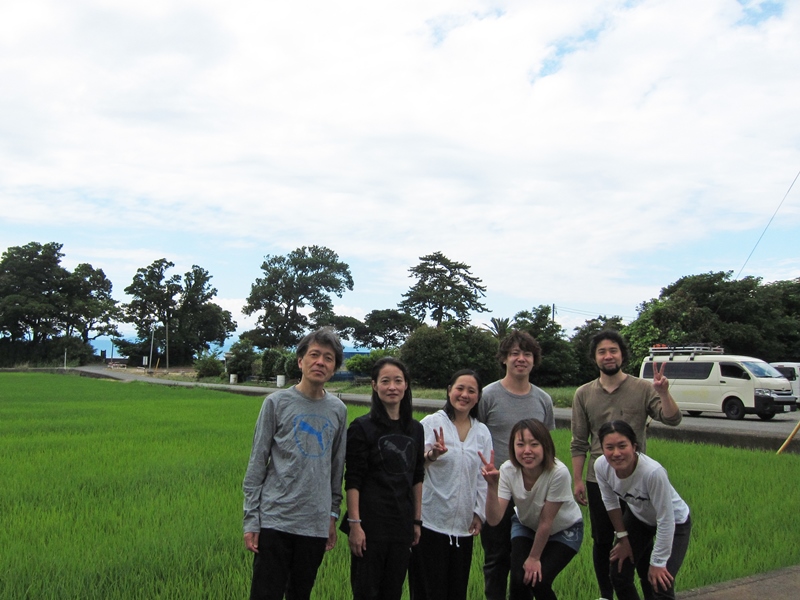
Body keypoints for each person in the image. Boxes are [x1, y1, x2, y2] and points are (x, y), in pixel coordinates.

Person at [570, 330, 681, 600]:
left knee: (638, 541)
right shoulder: (584, 393)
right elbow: (578, 442)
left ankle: (649, 590)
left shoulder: (643, 388)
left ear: (622, 354)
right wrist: (577, 480)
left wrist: (664, 393)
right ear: (594, 357)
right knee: (603, 541)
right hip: (600, 479)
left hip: (635, 480)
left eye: (613, 350)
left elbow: (672, 419)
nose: (608, 356)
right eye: (602, 351)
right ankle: (607, 594)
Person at [242, 328, 348, 600]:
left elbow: (337, 469)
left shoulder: (338, 410)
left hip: (314, 523)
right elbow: (256, 464)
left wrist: (332, 516)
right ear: (300, 361)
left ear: (334, 367)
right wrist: (251, 520)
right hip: (275, 519)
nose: (320, 362)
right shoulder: (276, 403)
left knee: (300, 594)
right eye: (314, 355)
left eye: (328, 358)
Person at [478, 330, 555, 600]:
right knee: (496, 559)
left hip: (532, 491)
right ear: (504, 359)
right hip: (497, 489)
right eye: (514, 353)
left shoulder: (543, 399)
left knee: (524, 560)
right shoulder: (488, 395)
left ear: (534, 360)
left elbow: (546, 446)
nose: (520, 359)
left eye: (527, 354)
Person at [341, 357, 425, 600]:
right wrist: (355, 525)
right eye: (385, 381)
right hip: (370, 527)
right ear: (374, 385)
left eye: (398, 381)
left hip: (401, 526)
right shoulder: (362, 427)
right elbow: (353, 479)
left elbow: (417, 476)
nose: (392, 387)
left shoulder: (415, 429)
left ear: (406, 385)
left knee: (393, 591)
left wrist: (416, 521)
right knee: (366, 591)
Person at [409, 369, 494, 600]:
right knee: (426, 591)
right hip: (430, 523)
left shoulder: (482, 432)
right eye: (460, 388)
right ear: (449, 391)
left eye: (471, 391)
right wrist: (432, 455)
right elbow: (414, 469)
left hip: (463, 529)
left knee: (456, 591)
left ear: (478, 397)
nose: (464, 394)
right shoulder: (431, 423)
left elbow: (482, 477)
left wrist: (479, 513)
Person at [479, 419, 583, 600]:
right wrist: (492, 487)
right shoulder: (508, 470)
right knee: (519, 580)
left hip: (564, 529)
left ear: (545, 446)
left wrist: (534, 558)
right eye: (520, 444)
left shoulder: (558, 472)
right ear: (513, 447)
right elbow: (495, 519)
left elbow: (546, 521)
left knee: (538, 580)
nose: (527, 451)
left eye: (534, 444)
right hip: (526, 524)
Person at [595, 421, 691, 600]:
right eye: (609, 447)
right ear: (602, 448)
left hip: (675, 522)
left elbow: (665, 518)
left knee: (661, 581)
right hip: (639, 517)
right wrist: (622, 538)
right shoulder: (601, 466)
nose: (616, 453)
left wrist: (658, 562)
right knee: (619, 572)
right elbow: (610, 501)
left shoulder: (653, 472)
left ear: (634, 446)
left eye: (622, 446)